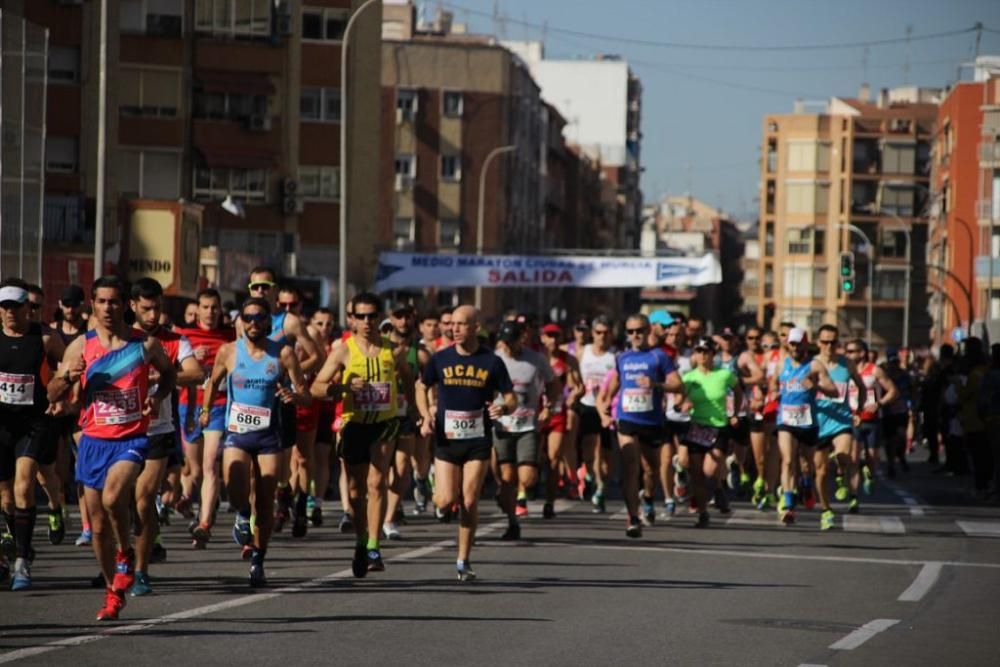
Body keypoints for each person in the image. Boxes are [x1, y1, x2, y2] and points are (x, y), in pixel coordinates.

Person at [47, 275, 176, 620]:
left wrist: (157, 396)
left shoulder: (144, 345)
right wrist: (68, 378)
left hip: (131, 439)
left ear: (125, 305)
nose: (108, 308)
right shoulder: (82, 347)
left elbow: (169, 374)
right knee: (98, 526)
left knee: (112, 497)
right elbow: (51, 393)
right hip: (93, 441)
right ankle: (112, 590)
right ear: (93, 304)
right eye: (101, 301)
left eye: (114, 301)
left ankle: (125, 553)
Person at [203, 297, 310, 586]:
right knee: (236, 490)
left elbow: (305, 392)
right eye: (247, 317)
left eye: (259, 317)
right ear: (240, 321)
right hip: (238, 433)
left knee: (266, 499)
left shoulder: (283, 354)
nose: (253, 323)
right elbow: (213, 382)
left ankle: (258, 559)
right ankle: (241, 513)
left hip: (268, 437)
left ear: (268, 321)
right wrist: (204, 411)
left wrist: (294, 397)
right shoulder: (228, 352)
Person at [310, 292, 415, 576]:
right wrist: (343, 389)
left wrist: (413, 408)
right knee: (356, 489)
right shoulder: (343, 350)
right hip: (354, 424)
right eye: (361, 316)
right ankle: (360, 539)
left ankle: (373, 545)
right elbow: (317, 387)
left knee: (377, 482)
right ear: (352, 320)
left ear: (380, 318)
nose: (367, 321)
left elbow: (407, 376)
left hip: (385, 423)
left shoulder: (394, 350)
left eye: (372, 316)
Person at [416, 305, 515, 581]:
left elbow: (511, 396)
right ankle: (436, 488)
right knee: (447, 500)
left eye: (462, 324)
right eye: (453, 324)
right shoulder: (440, 358)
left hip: (477, 439)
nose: (455, 329)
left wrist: (503, 408)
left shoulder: (492, 362)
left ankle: (463, 560)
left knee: (470, 500)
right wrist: (425, 416)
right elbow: (420, 386)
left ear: (475, 328)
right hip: (447, 439)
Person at [127, 278, 203, 595]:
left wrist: (160, 374)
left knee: (144, 499)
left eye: (158, 308)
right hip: (118, 431)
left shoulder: (174, 341)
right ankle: (122, 560)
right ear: (133, 306)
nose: (153, 314)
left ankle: (141, 572)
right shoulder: (120, 340)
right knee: (116, 503)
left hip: (158, 430)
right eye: (146, 308)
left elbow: (197, 373)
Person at [0, 280, 66, 590]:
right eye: (5, 307)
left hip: (33, 423)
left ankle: (22, 563)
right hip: (1, 426)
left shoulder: (44, 337)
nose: (10, 312)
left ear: (29, 308)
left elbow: (70, 366)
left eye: (16, 306)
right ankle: (17, 544)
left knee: (25, 484)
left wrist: (63, 395)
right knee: (6, 498)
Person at [599, 313, 683, 537]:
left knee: (651, 470)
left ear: (648, 331)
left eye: (639, 331)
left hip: (652, 421)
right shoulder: (622, 358)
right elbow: (613, 387)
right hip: (627, 419)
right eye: (630, 331)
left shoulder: (659, 357)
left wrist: (655, 384)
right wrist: (605, 404)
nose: (635, 335)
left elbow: (678, 385)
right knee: (630, 467)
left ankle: (647, 497)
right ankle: (633, 518)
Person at [174, 288, 235, 547]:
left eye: (214, 307)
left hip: (219, 405)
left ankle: (204, 523)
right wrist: (189, 362)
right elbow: (171, 376)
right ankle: (189, 498)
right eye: (205, 307)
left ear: (221, 310)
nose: (210, 312)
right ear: (197, 309)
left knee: (211, 465)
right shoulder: (184, 337)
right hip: (190, 406)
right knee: (194, 470)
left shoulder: (230, 336)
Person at [492, 320, 558, 538]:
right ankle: (513, 522)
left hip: (528, 424)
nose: (507, 346)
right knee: (508, 478)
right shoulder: (495, 359)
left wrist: (549, 407)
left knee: (527, 477)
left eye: (511, 341)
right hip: (502, 426)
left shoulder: (536, 359)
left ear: (522, 338)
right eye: (504, 341)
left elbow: (552, 384)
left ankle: (524, 492)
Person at [770, 327, 838, 525]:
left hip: (808, 421)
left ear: (806, 344)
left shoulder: (815, 365)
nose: (795, 347)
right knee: (788, 460)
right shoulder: (782, 364)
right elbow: (774, 384)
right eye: (792, 343)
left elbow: (834, 391)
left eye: (799, 343)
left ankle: (806, 485)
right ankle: (789, 502)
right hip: (786, 420)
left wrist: (816, 386)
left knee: (807, 464)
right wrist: (773, 393)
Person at [676, 337, 742, 527]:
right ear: (695, 354)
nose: (702, 355)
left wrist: (735, 413)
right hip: (697, 426)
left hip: (718, 427)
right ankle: (703, 512)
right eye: (699, 351)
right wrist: (683, 405)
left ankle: (718, 486)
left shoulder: (724, 374)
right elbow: (678, 401)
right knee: (697, 473)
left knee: (709, 470)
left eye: (706, 352)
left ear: (714, 354)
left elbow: (737, 391)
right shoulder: (689, 377)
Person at [382, 302, 430, 539]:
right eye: (398, 317)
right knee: (379, 470)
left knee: (402, 468)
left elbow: (429, 383)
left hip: (405, 415)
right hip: (379, 416)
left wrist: (426, 410)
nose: (403, 322)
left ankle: (389, 519)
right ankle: (376, 511)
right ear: (390, 318)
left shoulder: (419, 352)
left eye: (407, 317)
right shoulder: (380, 347)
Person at [813, 325, 867, 530]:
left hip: (842, 420)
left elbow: (861, 387)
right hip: (818, 423)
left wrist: (859, 411)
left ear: (838, 343)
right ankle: (826, 510)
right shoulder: (812, 364)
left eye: (833, 342)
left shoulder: (847, 364)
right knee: (820, 472)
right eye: (825, 341)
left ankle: (841, 473)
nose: (829, 346)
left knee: (844, 453)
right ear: (819, 343)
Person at [844, 338, 898, 502]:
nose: (849, 354)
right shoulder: (844, 371)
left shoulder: (874, 371)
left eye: (853, 351)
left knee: (872, 456)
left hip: (872, 419)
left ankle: (870, 474)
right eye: (848, 351)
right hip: (852, 419)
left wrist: (879, 403)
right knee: (852, 458)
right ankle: (853, 496)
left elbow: (893, 391)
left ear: (862, 353)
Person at [574, 316, 617, 512]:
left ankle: (601, 489)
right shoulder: (584, 352)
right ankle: (589, 475)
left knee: (606, 458)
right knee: (589, 448)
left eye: (606, 333)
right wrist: (575, 390)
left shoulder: (615, 357)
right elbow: (573, 376)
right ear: (593, 334)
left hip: (608, 409)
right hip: (587, 406)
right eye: (598, 332)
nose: (602, 336)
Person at [540, 323, 583, 515]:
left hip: (557, 412)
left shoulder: (568, 359)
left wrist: (574, 395)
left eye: (556, 336)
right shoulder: (536, 358)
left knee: (554, 457)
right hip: (535, 413)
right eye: (549, 336)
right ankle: (525, 491)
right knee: (532, 458)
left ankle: (549, 501)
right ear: (542, 338)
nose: (553, 340)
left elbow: (579, 385)